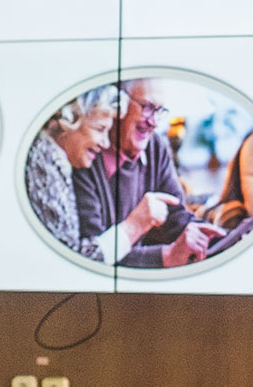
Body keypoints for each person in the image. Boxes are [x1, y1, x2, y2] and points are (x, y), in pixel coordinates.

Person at [71, 78, 223, 269]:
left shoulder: (155, 146)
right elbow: (94, 256)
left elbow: (177, 217)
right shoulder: (85, 156)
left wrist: (211, 237)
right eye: (148, 107)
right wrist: (165, 256)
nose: (154, 122)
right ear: (118, 104)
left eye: (159, 111)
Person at [23, 85, 182, 263]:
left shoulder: (55, 161)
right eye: (99, 129)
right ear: (70, 119)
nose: (105, 143)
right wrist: (134, 226)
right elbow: (72, 261)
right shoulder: (43, 164)